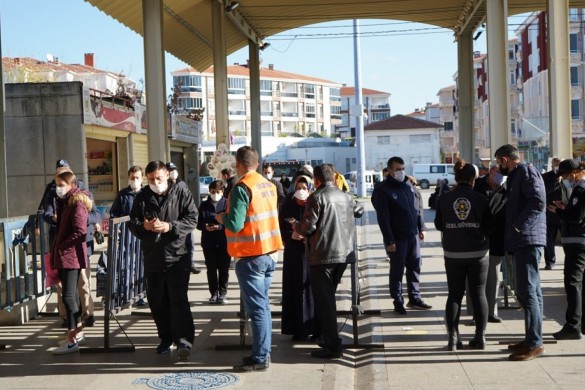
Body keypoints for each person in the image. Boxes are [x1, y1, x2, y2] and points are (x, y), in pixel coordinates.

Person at [216, 146, 283, 372]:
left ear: (238, 164)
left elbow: (234, 223)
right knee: (262, 307)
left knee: (258, 309)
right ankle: (263, 353)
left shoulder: (242, 187)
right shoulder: (268, 185)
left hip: (251, 255)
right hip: (269, 253)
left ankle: (261, 357)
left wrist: (221, 217)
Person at [290, 164, 364, 358]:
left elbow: (307, 228)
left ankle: (333, 345)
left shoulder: (317, 197)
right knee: (328, 299)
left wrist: (295, 225)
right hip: (343, 254)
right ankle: (328, 338)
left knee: (326, 302)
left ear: (316, 180)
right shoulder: (346, 196)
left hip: (322, 256)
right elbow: (360, 209)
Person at [129, 160, 198, 361]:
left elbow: (192, 218)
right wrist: (145, 228)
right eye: (151, 179)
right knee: (158, 301)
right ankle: (166, 337)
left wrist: (170, 227)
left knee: (178, 299)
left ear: (167, 175)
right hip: (153, 256)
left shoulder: (181, 192)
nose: (155, 182)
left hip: (177, 256)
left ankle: (184, 340)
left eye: (158, 178)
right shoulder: (142, 197)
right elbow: (133, 223)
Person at [495, 144, 546, 361]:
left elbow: (537, 202)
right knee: (530, 292)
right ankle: (531, 338)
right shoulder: (516, 176)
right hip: (522, 240)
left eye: (499, 162)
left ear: (506, 159)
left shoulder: (526, 171)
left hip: (528, 240)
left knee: (528, 292)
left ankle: (534, 343)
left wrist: (517, 227)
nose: (498, 167)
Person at [434, 160, 490, 351]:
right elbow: (488, 225)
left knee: (455, 294)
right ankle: (480, 337)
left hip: (453, 253)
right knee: (479, 293)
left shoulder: (445, 199)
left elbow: (439, 224)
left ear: (456, 178)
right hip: (478, 252)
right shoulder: (481, 199)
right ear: (473, 178)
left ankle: (453, 338)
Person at [42, 160, 99, 328]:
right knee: (64, 289)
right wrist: (53, 218)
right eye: (56, 178)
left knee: (82, 282)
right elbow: (45, 212)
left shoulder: (80, 195)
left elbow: (93, 215)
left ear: (71, 177)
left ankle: (86, 315)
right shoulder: (52, 192)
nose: (58, 184)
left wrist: (79, 220)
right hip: (60, 245)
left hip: (77, 247)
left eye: (62, 178)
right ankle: (69, 320)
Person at [371, 156, 431, 314]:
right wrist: (389, 240)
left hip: (412, 235)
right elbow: (383, 218)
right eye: (397, 169)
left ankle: (414, 298)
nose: (401, 172)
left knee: (415, 266)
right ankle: (398, 301)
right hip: (397, 237)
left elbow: (417, 208)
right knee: (397, 270)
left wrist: (421, 227)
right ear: (389, 170)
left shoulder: (408, 185)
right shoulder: (382, 189)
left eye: (403, 168)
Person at [50, 170, 93, 354]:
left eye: (61, 185)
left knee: (68, 297)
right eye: (56, 185)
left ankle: (72, 339)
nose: (57, 189)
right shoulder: (66, 201)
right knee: (71, 296)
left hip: (70, 256)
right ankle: (77, 333)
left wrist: (62, 246)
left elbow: (79, 231)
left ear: (71, 185)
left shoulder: (76, 203)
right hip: (66, 255)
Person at [548, 159, 585, 340]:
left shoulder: (580, 189)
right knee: (580, 283)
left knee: (572, 283)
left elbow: (576, 217)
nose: (564, 179)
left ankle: (572, 326)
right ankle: (580, 324)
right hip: (580, 241)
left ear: (573, 173)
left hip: (577, 242)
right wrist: (566, 207)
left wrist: (559, 211)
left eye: (564, 175)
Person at [279, 174, 319, 342]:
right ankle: (296, 328)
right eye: (298, 188)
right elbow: (280, 226)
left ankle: (313, 326)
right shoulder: (287, 205)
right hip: (293, 254)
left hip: (311, 253)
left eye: (304, 188)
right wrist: (291, 235)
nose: (301, 191)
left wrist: (307, 237)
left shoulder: (314, 204)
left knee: (310, 290)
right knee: (294, 289)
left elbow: (320, 226)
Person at [196, 180, 230, 304]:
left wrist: (220, 227)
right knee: (211, 269)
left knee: (223, 269)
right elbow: (198, 224)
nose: (215, 194)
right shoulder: (204, 205)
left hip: (223, 241)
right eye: (212, 192)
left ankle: (223, 293)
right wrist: (205, 226)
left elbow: (231, 222)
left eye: (218, 192)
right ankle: (213, 293)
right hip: (208, 242)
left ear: (222, 192)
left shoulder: (227, 204)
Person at [167, 162, 200, 275]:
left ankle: (190, 264)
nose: (173, 172)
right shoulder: (166, 186)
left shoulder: (182, 184)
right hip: (174, 221)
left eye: (174, 170)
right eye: (170, 170)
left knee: (189, 243)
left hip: (185, 220)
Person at [542, 157, 562, 270]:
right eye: (556, 164)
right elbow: (545, 192)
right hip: (550, 213)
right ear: (552, 165)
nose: (558, 167)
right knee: (549, 240)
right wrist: (555, 181)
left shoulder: (568, 176)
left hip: (564, 214)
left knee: (567, 240)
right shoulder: (546, 177)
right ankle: (550, 261)